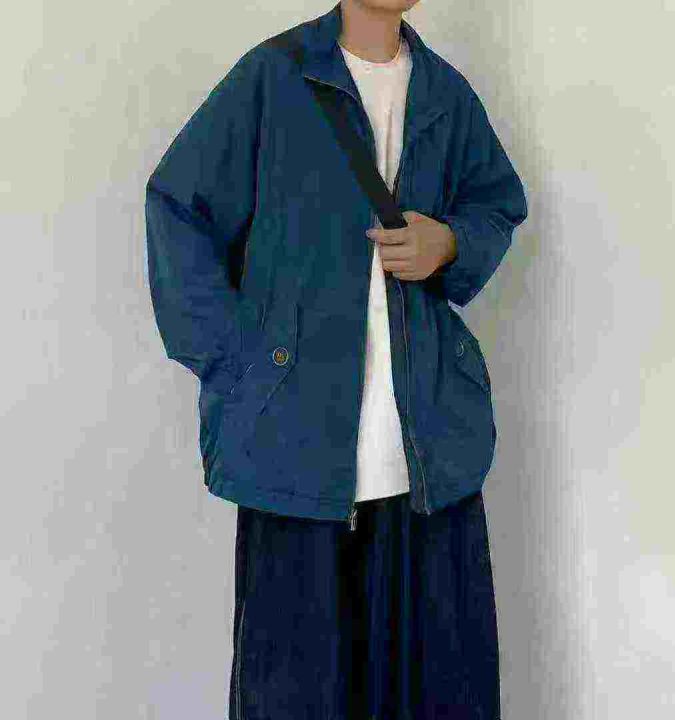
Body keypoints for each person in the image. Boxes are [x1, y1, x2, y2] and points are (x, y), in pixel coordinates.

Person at [145, 1, 528, 717]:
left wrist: (450, 243)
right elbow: (178, 208)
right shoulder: (274, 78)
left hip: (429, 456)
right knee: (297, 696)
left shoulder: (445, 94)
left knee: (439, 694)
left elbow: (496, 204)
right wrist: (238, 363)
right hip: (298, 456)